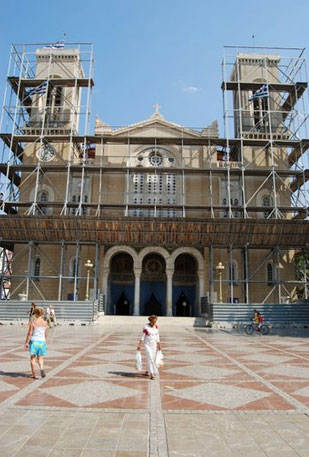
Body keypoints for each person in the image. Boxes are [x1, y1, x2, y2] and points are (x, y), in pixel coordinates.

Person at [24, 306, 48, 379]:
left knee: (33, 358)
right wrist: (45, 341)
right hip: (42, 341)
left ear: (35, 313)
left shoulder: (33, 323)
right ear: (42, 313)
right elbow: (46, 334)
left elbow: (29, 333)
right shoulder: (45, 322)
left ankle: (33, 373)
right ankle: (41, 368)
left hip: (34, 341)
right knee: (40, 357)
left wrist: (26, 342)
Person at [137, 315, 161, 380]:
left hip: (154, 345)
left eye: (155, 321)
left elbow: (157, 336)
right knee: (150, 357)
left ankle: (148, 371)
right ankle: (152, 373)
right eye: (153, 321)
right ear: (150, 321)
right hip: (147, 344)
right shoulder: (146, 327)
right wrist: (139, 344)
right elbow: (142, 336)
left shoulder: (156, 326)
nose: (154, 323)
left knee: (152, 358)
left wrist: (159, 344)